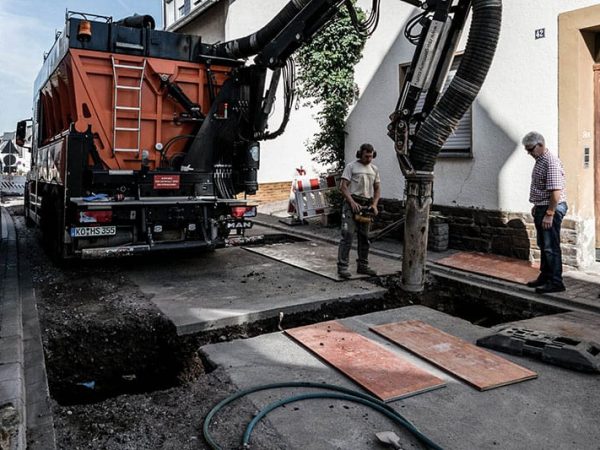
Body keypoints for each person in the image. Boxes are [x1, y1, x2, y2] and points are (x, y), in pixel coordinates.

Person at [522, 131, 568, 294]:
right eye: (527, 150)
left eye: (531, 149)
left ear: (541, 145)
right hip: (543, 207)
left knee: (550, 246)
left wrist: (549, 213)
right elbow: (542, 188)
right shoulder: (540, 160)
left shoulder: (550, 161)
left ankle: (556, 282)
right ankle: (546, 276)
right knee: (543, 244)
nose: (529, 153)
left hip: (552, 208)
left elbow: (556, 191)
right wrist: (537, 205)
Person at [337, 143, 381, 279]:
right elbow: (343, 187)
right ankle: (343, 267)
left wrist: (374, 204)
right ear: (360, 154)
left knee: (365, 237)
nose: (369, 159)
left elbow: (377, 188)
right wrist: (351, 202)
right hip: (352, 204)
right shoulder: (351, 167)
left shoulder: (374, 169)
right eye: (366, 156)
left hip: (366, 205)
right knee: (348, 234)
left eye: (371, 156)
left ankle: (363, 266)